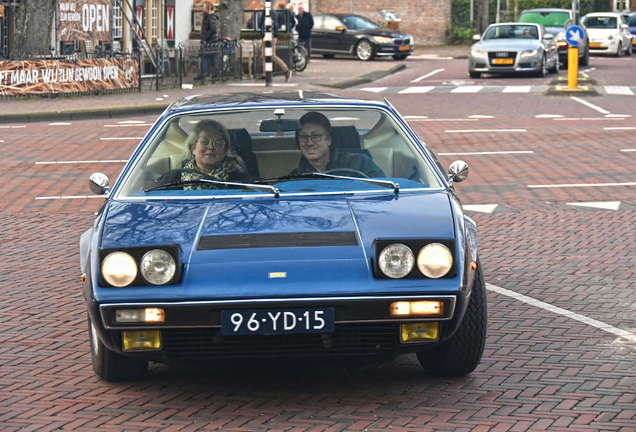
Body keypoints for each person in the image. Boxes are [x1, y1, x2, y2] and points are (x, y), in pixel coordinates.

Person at [290, 112, 384, 177]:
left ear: (329, 140)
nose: (309, 142)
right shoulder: (295, 177)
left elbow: (384, 194)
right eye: (303, 136)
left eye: (316, 136)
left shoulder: (360, 163)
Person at [180, 120, 251, 189]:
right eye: (205, 142)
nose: (211, 147)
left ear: (224, 151)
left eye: (218, 143)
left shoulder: (238, 178)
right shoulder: (176, 178)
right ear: (192, 148)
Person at [260, 4, 292, 81]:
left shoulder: (271, 12)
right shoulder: (266, 11)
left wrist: (269, 34)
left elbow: (271, 24)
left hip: (270, 36)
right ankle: (265, 73)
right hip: (266, 36)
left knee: (271, 55)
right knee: (264, 55)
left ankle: (286, 70)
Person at [195, 2, 218, 81]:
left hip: (210, 42)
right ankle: (215, 73)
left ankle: (203, 74)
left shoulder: (211, 17)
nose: (202, 8)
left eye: (204, 6)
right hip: (209, 42)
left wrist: (206, 37)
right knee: (211, 59)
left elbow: (213, 29)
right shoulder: (207, 17)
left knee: (206, 58)